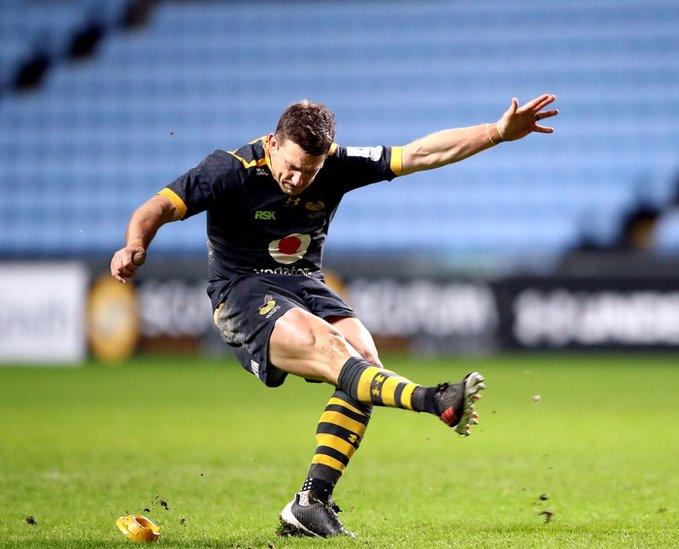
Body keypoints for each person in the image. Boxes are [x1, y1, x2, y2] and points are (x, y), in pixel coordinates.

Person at [109, 94, 559, 538]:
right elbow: (159, 206)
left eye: (310, 170)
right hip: (242, 290)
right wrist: (135, 245)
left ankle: (310, 503)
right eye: (290, 165)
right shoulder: (230, 169)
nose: (297, 178)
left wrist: (498, 133)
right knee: (335, 352)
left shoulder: (338, 164)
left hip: (305, 284)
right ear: (273, 142)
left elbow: (421, 153)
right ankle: (433, 399)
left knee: (364, 359)